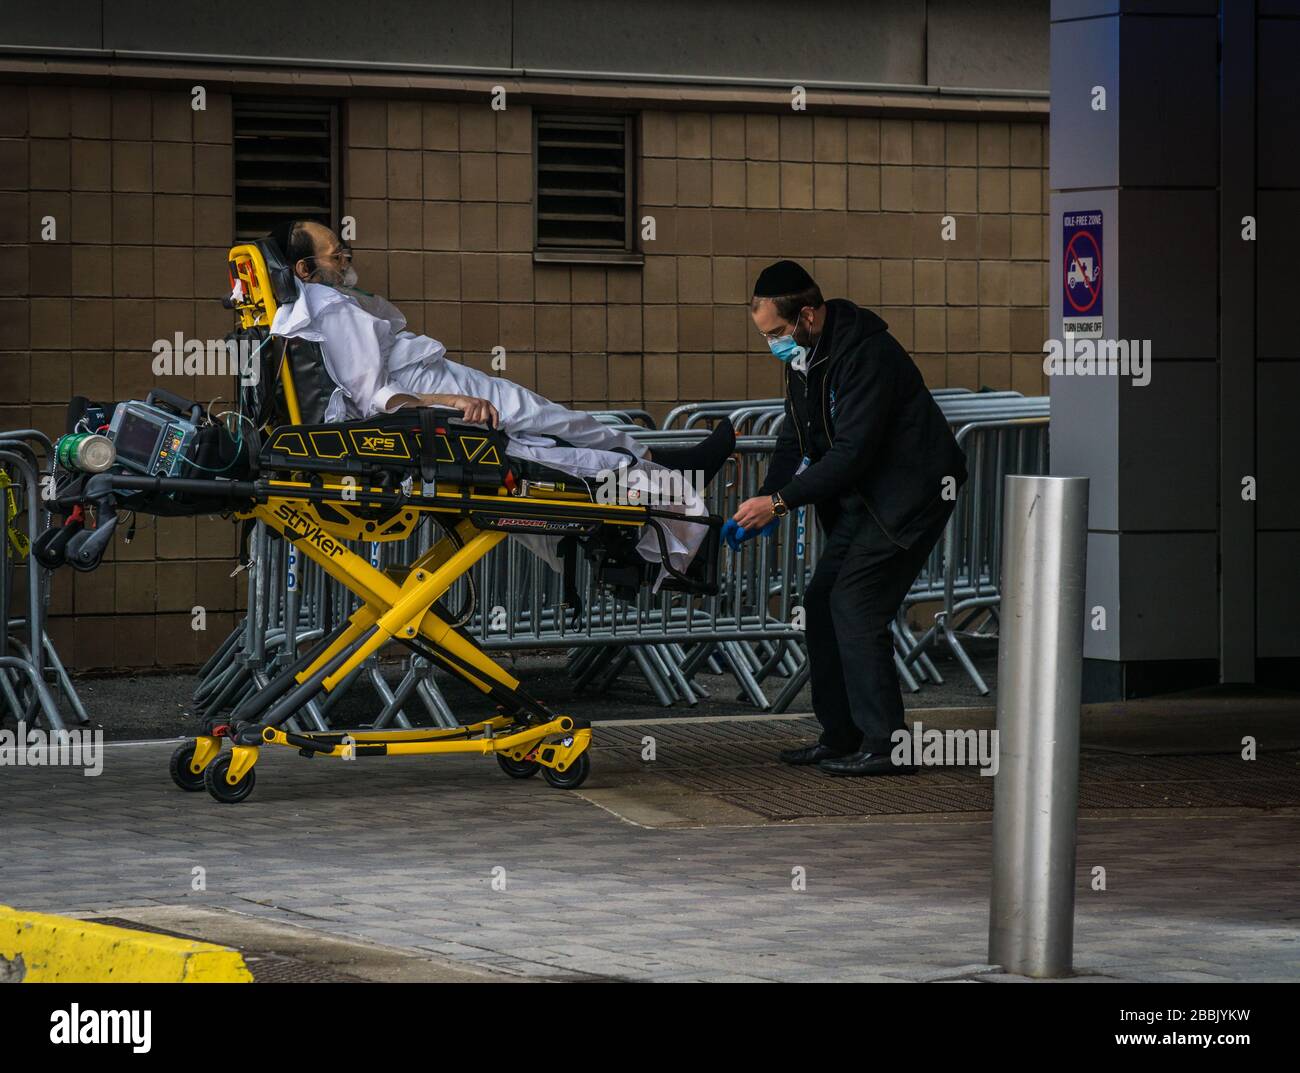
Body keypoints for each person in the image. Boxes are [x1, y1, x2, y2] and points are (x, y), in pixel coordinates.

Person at [263, 220, 733, 579]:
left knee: (552, 432)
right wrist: (447, 399)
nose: (346, 263)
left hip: (430, 387)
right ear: (306, 269)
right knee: (552, 425)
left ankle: (661, 461)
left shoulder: (301, 317)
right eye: (337, 256)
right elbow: (372, 397)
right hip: (435, 395)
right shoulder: (331, 309)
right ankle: (666, 472)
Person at [732, 261, 967, 777]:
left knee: (855, 603)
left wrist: (780, 503)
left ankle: (886, 744)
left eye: (776, 332)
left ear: (807, 315)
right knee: (822, 602)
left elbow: (853, 452)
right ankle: (841, 734)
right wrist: (769, 496)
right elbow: (795, 438)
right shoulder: (805, 358)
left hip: (911, 493)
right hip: (866, 499)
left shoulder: (866, 354)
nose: (772, 343)